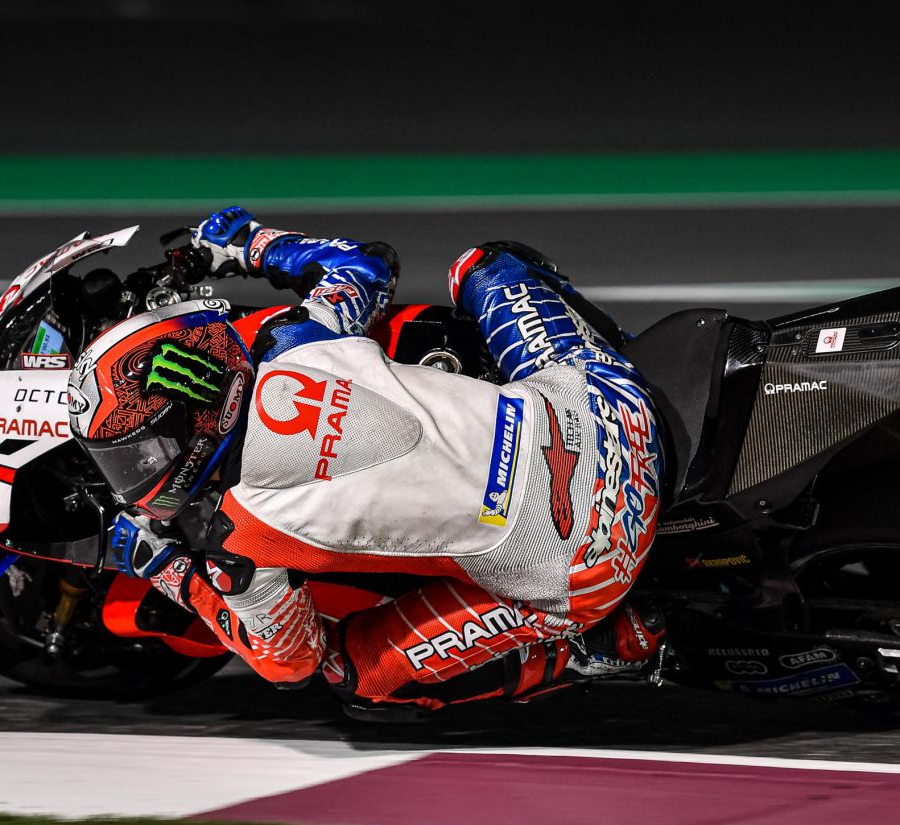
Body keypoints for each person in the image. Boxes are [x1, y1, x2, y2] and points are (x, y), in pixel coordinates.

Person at [67, 206, 666, 719]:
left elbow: (290, 663)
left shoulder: (240, 536)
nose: (133, 477)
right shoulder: (295, 340)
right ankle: (660, 378)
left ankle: (596, 647)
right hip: (614, 409)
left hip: (594, 562)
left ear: (192, 428)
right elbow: (366, 264)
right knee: (485, 264)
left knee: (354, 675)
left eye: (138, 455)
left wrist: (166, 566)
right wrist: (247, 244)